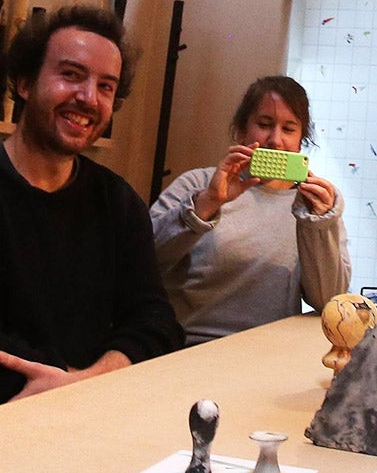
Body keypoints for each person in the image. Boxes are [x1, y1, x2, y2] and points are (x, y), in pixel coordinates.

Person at [0, 5, 183, 431]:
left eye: (106, 86)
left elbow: (156, 324)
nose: (89, 98)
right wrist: (84, 384)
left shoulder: (119, 202)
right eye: (71, 75)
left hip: (82, 431)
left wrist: (84, 382)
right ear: (26, 82)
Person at [149, 75, 351, 343]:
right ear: (241, 131)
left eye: (289, 129)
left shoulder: (314, 206)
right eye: (264, 125)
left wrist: (319, 225)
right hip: (191, 344)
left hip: (271, 350)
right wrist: (208, 202)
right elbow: (145, 259)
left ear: (301, 140)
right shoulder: (197, 184)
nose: (275, 140)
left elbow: (328, 299)